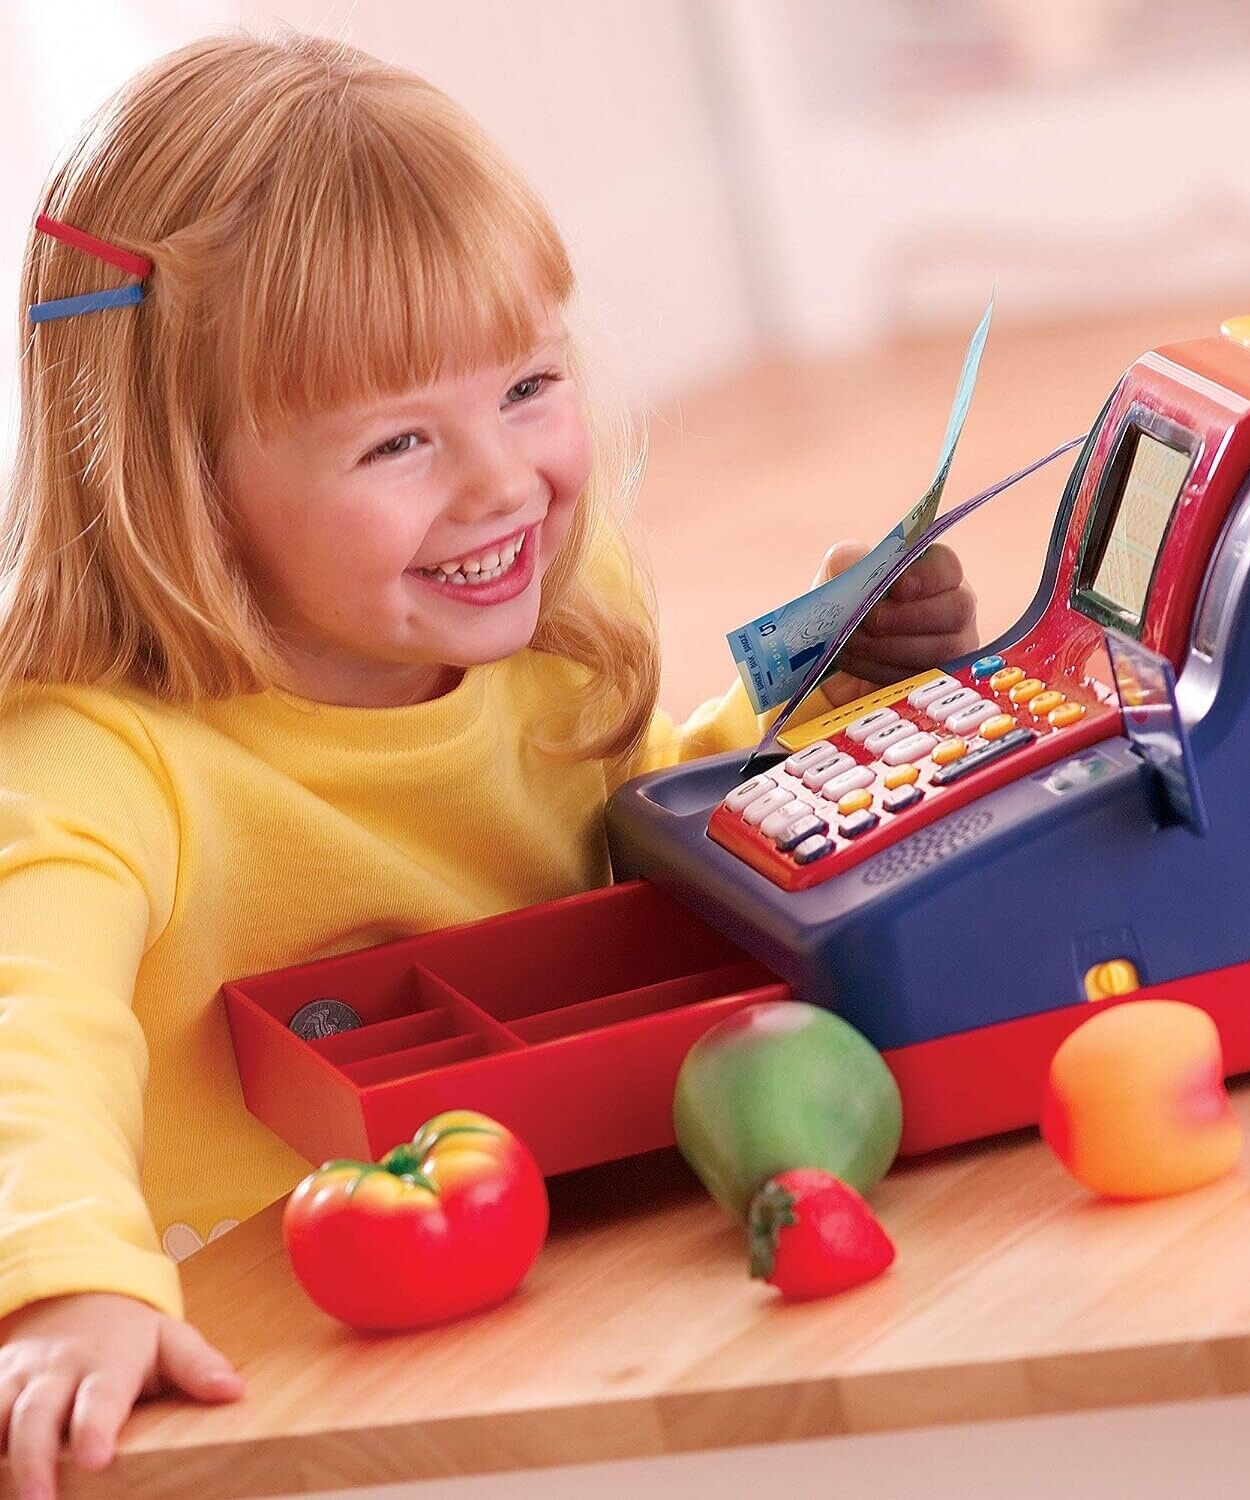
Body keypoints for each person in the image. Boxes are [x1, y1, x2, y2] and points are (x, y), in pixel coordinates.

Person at [0, 29, 979, 1496]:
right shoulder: (90, 763)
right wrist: (65, 1279)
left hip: (557, 1290)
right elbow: (27, 1031)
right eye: (398, 442)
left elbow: (630, 855)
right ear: (185, 484)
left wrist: (840, 706)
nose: (504, 482)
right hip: (267, 1391)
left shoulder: (557, 655)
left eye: (528, 384)